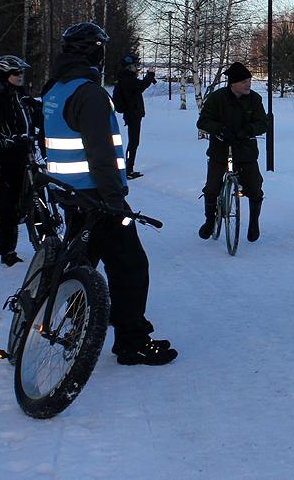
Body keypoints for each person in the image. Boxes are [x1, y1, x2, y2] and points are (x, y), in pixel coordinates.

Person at [42, 21, 177, 366]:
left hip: (70, 193)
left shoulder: (54, 89)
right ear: (95, 54)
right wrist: (117, 205)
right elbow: (101, 154)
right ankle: (132, 342)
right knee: (131, 266)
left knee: (80, 262)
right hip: (97, 197)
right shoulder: (89, 94)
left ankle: (67, 328)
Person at [0, 55, 42, 267]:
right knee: (8, 205)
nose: (20, 77)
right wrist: (5, 141)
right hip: (5, 157)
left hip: (25, 154)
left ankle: (46, 241)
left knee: (37, 193)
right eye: (16, 73)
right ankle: (7, 251)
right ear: (5, 76)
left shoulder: (24, 98)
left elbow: (39, 120)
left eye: (22, 73)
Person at [196, 62, 267, 242]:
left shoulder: (254, 99)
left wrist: (247, 130)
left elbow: (263, 123)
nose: (248, 84)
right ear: (233, 83)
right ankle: (210, 220)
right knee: (212, 188)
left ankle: (253, 223)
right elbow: (202, 121)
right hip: (220, 152)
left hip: (245, 152)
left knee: (255, 188)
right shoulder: (217, 98)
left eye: (249, 80)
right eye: (244, 81)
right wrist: (220, 129)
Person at [112, 54, 157, 179]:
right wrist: (150, 76)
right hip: (132, 114)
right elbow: (140, 86)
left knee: (134, 142)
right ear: (128, 67)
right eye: (134, 66)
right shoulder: (128, 79)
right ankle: (128, 170)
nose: (136, 68)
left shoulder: (127, 78)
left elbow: (139, 87)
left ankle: (128, 169)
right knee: (133, 142)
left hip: (133, 113)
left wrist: (149, 77)